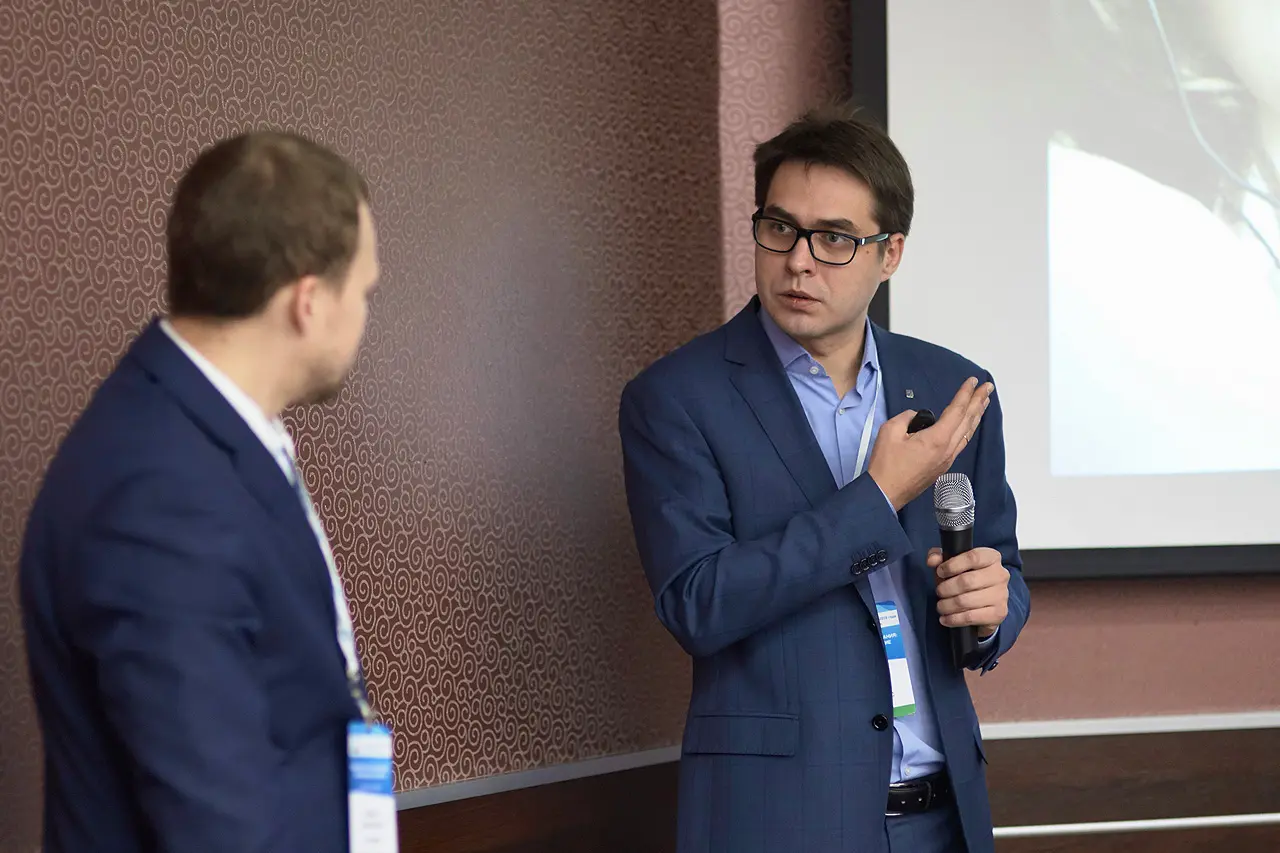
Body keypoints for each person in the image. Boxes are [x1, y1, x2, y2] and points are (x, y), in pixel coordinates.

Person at [618, 104, 1030, 853]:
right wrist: (877, 498)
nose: (799, 261)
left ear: (890, 253)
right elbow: (697, 603)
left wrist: (992, 609)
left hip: (944, 819)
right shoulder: (676, 399)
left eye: (835, 238)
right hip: (780, 822)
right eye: (780, 228)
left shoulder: (955, 389)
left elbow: (999, 567)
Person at [20, 131, 382, 853]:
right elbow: (216, 822)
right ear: (308, 301)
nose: (367, 313)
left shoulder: (209, 433)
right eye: (365, 291)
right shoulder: (155, 495)